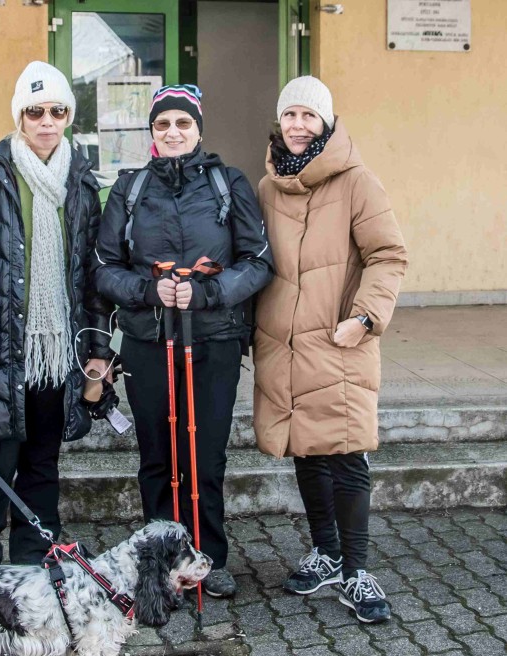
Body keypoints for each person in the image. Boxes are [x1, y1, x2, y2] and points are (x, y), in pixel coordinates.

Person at [93, 84, 274, 599]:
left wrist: (208, 292)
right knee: (156, 455)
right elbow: (104, 267)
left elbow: (258, 261)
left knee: (205, 455)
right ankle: (158, 562)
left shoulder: (227, 183)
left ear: (198, 129)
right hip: (148, 341)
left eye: (183, 123)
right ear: (152, 131)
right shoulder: (129, 189)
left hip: (213, 340)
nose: (173, 132)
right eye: (162, 124)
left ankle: (207, 556)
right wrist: (149, 291)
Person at [0, 61, 113, 574]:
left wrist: (98, 350)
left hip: (59, 350)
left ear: (68, 117)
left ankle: (36, 566)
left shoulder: (81, 184)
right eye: (35, 111)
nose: (46, 121)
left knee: (42, 461)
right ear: (19, 116)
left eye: (57, 111)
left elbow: (92, 276)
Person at [254, 76, 407, 624]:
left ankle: (357, 571)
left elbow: (388, 255)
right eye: (290, 114)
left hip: (341, 340)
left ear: (326, 122)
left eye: (309, 115)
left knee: (346, 454)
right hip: (284, 345)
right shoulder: (268, 187)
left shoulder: (357, 181)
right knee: (308, 449)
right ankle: (327, 552)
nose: (298, 125)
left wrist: (364, 319)